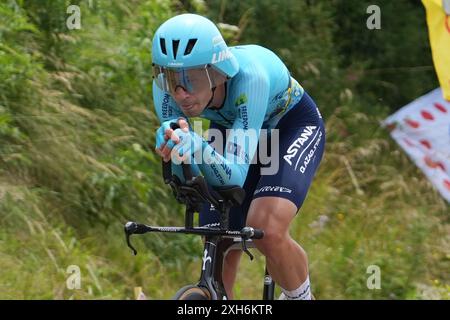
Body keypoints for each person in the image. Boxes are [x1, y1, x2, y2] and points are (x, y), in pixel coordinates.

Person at [152, 13, 325, 300]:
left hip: (288, 127)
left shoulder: (249, 79)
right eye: (170, 79)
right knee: (217, 233)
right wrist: (175, 153)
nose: (181, 93)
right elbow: (189, 183)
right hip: (235, 128)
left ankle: (300, 297)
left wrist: (199, 148)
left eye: (192, 79)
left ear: (216, 72)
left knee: (265, 229)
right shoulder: (165, 91)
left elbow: (234, 176)